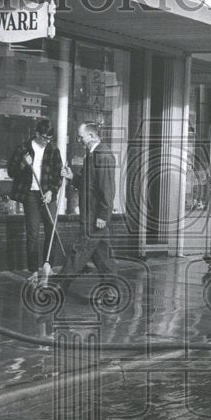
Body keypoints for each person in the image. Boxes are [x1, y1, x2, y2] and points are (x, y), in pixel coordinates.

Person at [53, 122, 118, 294]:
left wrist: (103, 216)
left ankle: (60, 285)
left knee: (80, 248)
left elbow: (107, 189)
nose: (79, 140)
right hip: (90, 213)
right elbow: (87, 183)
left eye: (81, 136)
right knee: (101, 255)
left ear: (91, 136)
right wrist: (72, 176)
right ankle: (111, 291)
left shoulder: (103, 156)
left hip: (95, 215)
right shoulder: (92, 155)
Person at [9, 118, 65, 283]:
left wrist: (51, 191)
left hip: (47, 195)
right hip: (31, 195)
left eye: (50, 138)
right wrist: (23, 164)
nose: (47, 141)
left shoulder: (53, 150)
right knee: (32, 234)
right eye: (44, 138)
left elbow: (58, 175)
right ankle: (33, 270)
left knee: (52, 230)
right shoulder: (23, 149)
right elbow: (11, 171)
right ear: (37, 133)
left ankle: (48, 266)